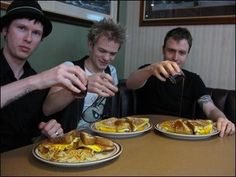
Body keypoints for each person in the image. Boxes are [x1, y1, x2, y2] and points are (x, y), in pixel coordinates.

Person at [0, 0, 87, 152]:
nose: (28, 38)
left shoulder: (34, 78)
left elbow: (33, 136)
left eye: (36, 33)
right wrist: (38, 81)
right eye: (21, 28)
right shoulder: (38, 81)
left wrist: (48, 133)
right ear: (5, 30)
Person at [126, 27, 235, 137]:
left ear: (187, 54)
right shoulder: (148, 71)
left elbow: (210, 109)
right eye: (171, 50)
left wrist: (222, 118)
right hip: (148, 132)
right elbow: (130, 83)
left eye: (182, 53)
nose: (175, 57)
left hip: (180, 134)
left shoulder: (194, 80)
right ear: (163, 49)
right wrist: (149, 70)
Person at [43, 18, 126, 132]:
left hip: (102, 135)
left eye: (112, 53)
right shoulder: (69, 68)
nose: (107, 58)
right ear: (90, 45)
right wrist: (82, 86)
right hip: (70, 138)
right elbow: (48, 109)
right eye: (102, 51)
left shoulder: (112, 71)